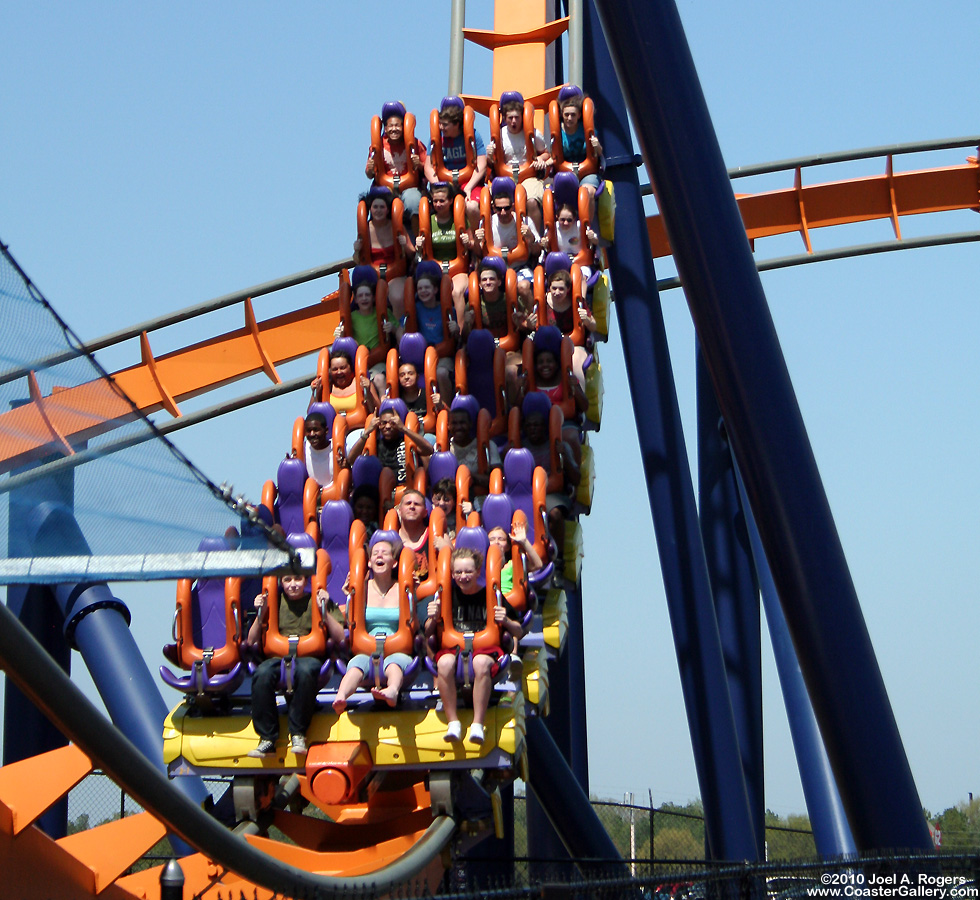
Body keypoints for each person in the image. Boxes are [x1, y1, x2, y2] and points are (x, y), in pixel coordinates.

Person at [425, 547, 523, 744]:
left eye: (468, 571)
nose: (463, 576)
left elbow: (519, 631)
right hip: (453, 648)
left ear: (478, 571)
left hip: (484, 649)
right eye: (458, 572)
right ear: (451, 573)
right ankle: (453, 722)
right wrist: (432, 618)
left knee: (480, 663)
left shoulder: (491, 595)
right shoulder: (444, 596)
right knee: (443, 664)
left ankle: (478, 724)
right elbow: (426, 632)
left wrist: (506, 621)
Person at [247, 573, 344, 757]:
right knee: (262, 674)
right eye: (287, 579)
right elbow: (251, 640)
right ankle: (267, 738)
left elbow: (340, 636)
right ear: (280, 582)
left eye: (298, 579)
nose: (293, 585)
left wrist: (324, 610)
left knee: (307, 672)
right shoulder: (274, 602)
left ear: (306, 580)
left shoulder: (318, 598)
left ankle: (298, 733)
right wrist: (260, 613)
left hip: (308, 656)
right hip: (278, 657)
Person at [332, 535, 413, 712]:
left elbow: (413, 620)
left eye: (385, 553)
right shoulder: (361, 589)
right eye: (375, 553)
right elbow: (350, 624)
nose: (379, 556)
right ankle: (341, 696)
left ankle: (392, 691)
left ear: (393, 563)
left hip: (396, 648)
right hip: (367, 648)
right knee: (356, 665)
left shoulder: (402, 588)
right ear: (369, 563)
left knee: (393, 663)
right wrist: (350, 598)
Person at [461, 257, 532, 404]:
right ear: (479, 284)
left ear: (499, 282)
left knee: (512, 372)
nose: (488, 282)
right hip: (484, 354)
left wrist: (522, 323)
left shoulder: (509, 299)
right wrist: (467, 324)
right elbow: (465, 337)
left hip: (509, 351)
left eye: (492, 279)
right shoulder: (474, 304)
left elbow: (524, 328)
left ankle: (513, 411)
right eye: (484, 280)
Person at [521, 405, 581, 562]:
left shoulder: (559, 446)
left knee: (554, 515)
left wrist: (565, 458)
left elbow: (576, 479)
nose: (532, 429)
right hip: (527, 493)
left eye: (536, 425)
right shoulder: (522, 448)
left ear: (545, 427)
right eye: (529, 426)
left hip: (552, 493)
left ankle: (559, 560)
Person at [472, 178, 541, 309]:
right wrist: (476, 241)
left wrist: (530, 238)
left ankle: (534, 320)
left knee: (524, 287)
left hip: (520, 267)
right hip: (494, 271)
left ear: (513, 206)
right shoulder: (488, 223)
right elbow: (478, 253)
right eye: (498, 209)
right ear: (493, 208)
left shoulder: (524, 221)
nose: (503, 212)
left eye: (506, 208)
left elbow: (537, 252)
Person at [486, 94, 551, 233]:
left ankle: (536, 240)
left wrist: (541, 158)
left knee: (532, 201)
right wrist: (489, 155)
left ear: (522, 117)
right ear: (505, 118)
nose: (514, 121)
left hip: (528, 177)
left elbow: (546, 153)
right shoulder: (500, 135)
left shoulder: (533, 134)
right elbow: (492, 163)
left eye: (517, 117)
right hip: (506, 177)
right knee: (492, 201)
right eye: (510, 118)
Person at [333, 267, 401, 393]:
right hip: (357, 362)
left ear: (374, 297)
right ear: (356, 299)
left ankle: (383, 406)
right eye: (360, 296)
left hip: (377, 361)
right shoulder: (351, 317)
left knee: (379, 379)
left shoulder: (383, 313)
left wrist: (393, 329)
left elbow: (401, 336)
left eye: (367, 295)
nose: (364, 298)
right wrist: (339, 336)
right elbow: (339, 344)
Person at [425, 96, 487, 227]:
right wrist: (438, 185)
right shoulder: (437, 137)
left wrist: (469, 187)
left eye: (445, 125)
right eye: (440, 124)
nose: (441, 127)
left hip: (469, 182)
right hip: (445, 182)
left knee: (471, 206)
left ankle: (476, 241)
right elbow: (428, 166)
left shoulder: (473, 135)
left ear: (456, 124)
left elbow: (482, 165)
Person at [365, 100, 426, 233]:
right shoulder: (378, 145)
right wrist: (370, 169)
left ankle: (418, 241)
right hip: (385, 187)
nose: (394, 129)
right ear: (385, 128)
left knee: (413, 200)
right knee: (377, 203)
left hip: (409, 187)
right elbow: (369, 174)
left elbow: (428, 168)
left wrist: (419, 165)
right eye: (390, 126)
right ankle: (373, 241)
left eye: (397, 125)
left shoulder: (415, 144)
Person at [353, 186, 413, 321]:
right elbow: (358, 260)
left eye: (382, 207)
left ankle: (397, 331)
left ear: (387, 209)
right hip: (373, 277)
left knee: (397, 296)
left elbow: (412, 254)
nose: (378, 210)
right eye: (375, 207)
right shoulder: (365, 229)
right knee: (364, 295)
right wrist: (357, 250)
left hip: (396, 275)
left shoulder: (396, 226)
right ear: (370, 209)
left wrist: (405, 245)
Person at [346, 403, 434, 487]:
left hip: (405, 488)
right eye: (383, 423)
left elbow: (429, 450)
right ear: (379, 425)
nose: (388, 426)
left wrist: (403, 428)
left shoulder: (407, 442)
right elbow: (351, 459)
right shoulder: (375, 444)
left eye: (392, 423)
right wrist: (368, 431)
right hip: (381, 488)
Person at [409, 261, 457, 400]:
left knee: (441, 373)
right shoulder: (416, 308)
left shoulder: (447, 308)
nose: (423, 291)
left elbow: (456, 336)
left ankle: (447, 407)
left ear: (435, 290)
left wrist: (455, 329)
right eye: (420, 288)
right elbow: (402, 329)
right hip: (422, 355)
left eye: (427, 287)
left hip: (442, 355)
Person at [425, 183, 472, 320]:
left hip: (458, 270)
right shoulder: (428, 222)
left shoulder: (459, 219)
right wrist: (419, 246)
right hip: (435, 271)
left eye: (442, 201)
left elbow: (473, 244)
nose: (438, 204)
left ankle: (461, 332)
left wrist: (468, 242)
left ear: (450, 201)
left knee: (456, 292)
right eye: (435, 201)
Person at [544, 268, 596, 388]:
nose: (557, 292)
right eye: (554, 288)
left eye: (561, 289)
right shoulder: (543, 302)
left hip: (574, 345)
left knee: (575, 362)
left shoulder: (576, 301)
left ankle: (579, 397)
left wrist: (587, 321)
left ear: (568, 289)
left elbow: (594, 325)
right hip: (550, 346)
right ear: (549, 288)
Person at [558, 93, 604, 220]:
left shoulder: (587, 129)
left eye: (573, 115)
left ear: (579, 115)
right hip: (566, 173)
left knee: (587, 192)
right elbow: (554, 156)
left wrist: (597, 146)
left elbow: (599, 153)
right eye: (566, 114)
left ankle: (586, 227)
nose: (569, 118)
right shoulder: (558, 132)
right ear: (562, 114)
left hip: (587, 172)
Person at [310, 346, 379, 422]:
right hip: (333, 430)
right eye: (335, 369)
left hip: (359, 429)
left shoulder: (362, 383)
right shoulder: (326, 387)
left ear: (350, 368)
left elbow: (377, 410)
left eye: (343, 368)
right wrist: (315, 393)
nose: (339, 372)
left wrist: (368, 391)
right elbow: (311, 414)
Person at [448, 403, 501, 498]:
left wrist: (467, 475)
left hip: (481, 498)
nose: (458, 427)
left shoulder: (488, 446)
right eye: (454, 423)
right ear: (448, 426)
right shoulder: (444, 449)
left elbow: (497, 480)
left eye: (462, 423)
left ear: (470, 424)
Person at [487, 522, 543, 594]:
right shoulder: (480, 566)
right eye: (492, 539)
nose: (496, 542)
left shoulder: (512, 565)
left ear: (507, 547)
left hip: (507, 601)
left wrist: (524, 542)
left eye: (501, 539)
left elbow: (537, 565)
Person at [549, 203, 598, 281]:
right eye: (562, 220)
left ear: (574, 218)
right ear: (557, 217)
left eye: (569, 220)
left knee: (579, 278)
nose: (566, 223)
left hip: (581, 264)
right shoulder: (553, 229)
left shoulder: (580, 226)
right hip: (561, 265)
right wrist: (544, 243)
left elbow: (596, 241)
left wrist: (592, 238)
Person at [396, 489, 429, 587]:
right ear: (400, 511)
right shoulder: (390, 540)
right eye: (408, 503)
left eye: (417, 504)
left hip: (426, 597)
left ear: (425, 512)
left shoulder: (435, 536)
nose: (412, 507)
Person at [431, 477, 473, 552]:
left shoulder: (460, 518)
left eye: (446, 500)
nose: (441, 503)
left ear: (454, 502)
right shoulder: (426, 516)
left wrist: (471, 515)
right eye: (438, 498)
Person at [299, 411, 334, 489]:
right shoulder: (302, 450)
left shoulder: (337, 448)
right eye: (308, 431)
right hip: (311, 495)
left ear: (326, 430)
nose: (312, 434)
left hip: (333, 496)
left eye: (316, 430)